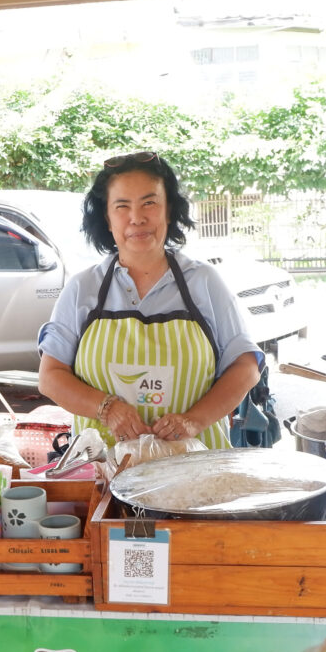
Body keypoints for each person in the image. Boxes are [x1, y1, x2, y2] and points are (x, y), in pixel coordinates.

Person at [37, 152, 262, 449]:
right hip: (105, 468)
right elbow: (51, 376)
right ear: (106, 218)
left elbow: (245, 367)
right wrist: (106, 408)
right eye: (122, 206)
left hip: (196, 467)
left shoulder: (204, 282)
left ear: (169, 211)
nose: (137, 218)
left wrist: (194, 420)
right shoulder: (82, 288)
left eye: (149, 203)